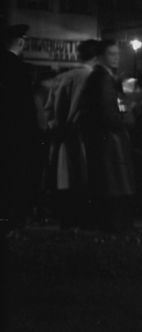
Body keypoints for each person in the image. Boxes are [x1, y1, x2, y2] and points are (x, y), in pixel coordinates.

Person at [78, 39, 136, 231]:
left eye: (117, 54)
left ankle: (107, 222)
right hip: (109, 137)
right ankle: (115, 223)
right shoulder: (103, 77)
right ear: (101, 56)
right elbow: (107, 110)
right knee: (114, 180)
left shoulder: (101, 76)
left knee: (107, 180)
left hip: (103, 135)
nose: (116, 58)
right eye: (112, 54)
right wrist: (122, 124)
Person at [49, 39, 98, 229]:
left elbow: (49, 110)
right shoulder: (92, 77)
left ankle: (66, 220)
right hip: (82, 136)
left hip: (62, 135)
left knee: (65, 179)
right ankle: (83, 220)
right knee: (84, 178)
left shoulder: (62, 77)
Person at [1, 24, 40, 232]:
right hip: (17, 134)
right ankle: (14, 221)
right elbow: (25, 106)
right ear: (21, 42)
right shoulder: (18, 67)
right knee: (16, 179)